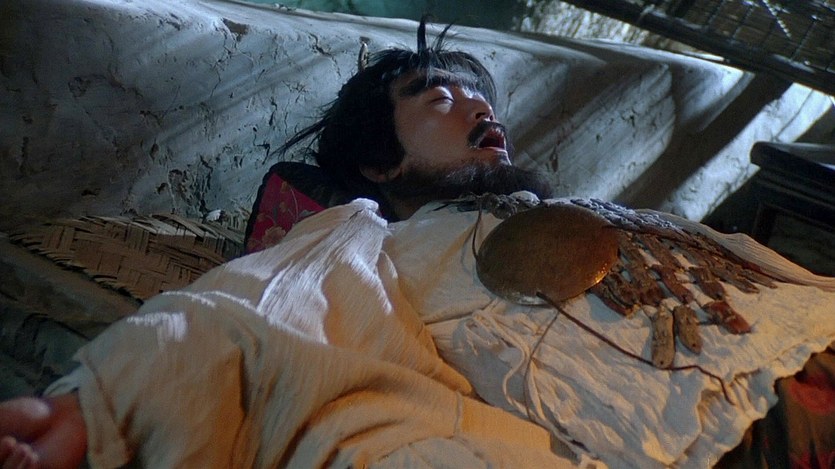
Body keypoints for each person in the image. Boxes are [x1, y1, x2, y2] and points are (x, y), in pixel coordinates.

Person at [2, 17, 833, 469]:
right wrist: (95, 406)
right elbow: (240, 312)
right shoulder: (373, 239)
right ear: (380, 162)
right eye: (435, 94)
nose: (477, 104)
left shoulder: (588, 207)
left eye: (479, 95)